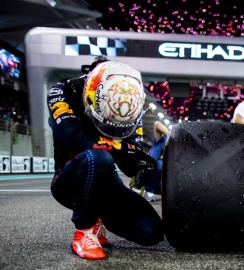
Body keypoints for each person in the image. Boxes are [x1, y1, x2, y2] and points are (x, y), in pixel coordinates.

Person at [47, 58, 164, 260]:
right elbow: (73, 136)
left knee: (151, 233)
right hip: (69, 182)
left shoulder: (129, 102)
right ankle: (84, 231)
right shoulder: (62, 91)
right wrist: (119, 147)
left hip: (107, 183)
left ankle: (98, 217)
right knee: (99, 158)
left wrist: (145, 165)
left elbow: (130, 164)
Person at [131, 120, 169, 202]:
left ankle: (152, 191)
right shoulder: (162, 140)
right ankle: (149, 191)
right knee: (158, 165)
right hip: (150, 165)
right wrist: (170, 135)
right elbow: (156, 124)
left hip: (161, 177)